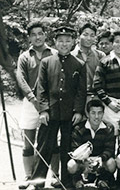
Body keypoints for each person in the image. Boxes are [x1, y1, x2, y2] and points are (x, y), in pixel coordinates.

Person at [29, 26, 86, 189]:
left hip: (69, 114)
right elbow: (42, 89)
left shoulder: (79, 64)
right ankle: (37, 181)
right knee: (44, 147)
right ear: (55, 42)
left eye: (68, 41)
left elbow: (81, 91)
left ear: (73, 42)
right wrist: (43, 110)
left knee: (67, 149)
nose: (64, 44)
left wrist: (78, 111)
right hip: (50, 112)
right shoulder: (47, 62)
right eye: (60, 41)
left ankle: (66, 181)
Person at [16, 22, 57, 189]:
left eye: (41, 33)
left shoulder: (54, 53)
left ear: (45, 34)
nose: (38, 37)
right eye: (34, 34)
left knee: (53, 141)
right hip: (30, 104)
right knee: (28, 141)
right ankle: (28, 176)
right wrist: (34, 100)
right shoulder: (25, 56)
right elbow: (21, 80)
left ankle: (55, 175)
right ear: (29, 38)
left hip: (51, 103)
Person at [68, 99, 116, 189]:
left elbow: (110, 149)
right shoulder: (78, 128)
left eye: (100, 113)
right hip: (84, 160)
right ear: (87, 114)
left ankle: (102, 180)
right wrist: (85, 161)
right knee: (71, 165)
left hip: (100, 160)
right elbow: (75, 149)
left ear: (103, 113)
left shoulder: (109, 127)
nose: (97, 116)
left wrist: (100, 159)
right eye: (93, 113)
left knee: (111, 163)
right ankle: (78, 180)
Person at [71, 23, 106, 103]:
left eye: (92, 35)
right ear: (79, 36)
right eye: (85, 34)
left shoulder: (100, 56)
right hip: (75, 98)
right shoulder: (71, 56)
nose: (89, 38)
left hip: (96, 98)